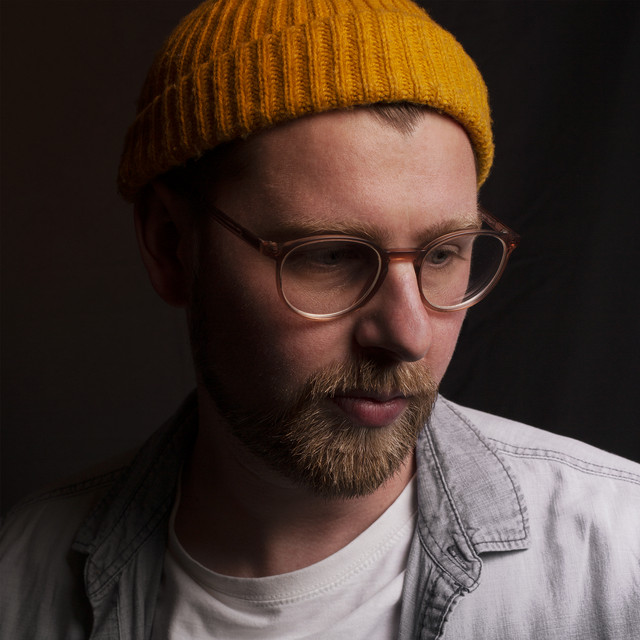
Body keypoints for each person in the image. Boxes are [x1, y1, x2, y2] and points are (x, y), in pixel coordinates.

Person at [1, 0, 639, 638]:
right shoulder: (19, 577)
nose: (408, 334)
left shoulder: (618, 564)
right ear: (171, 244)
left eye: (443, 254)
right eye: (331, 256)